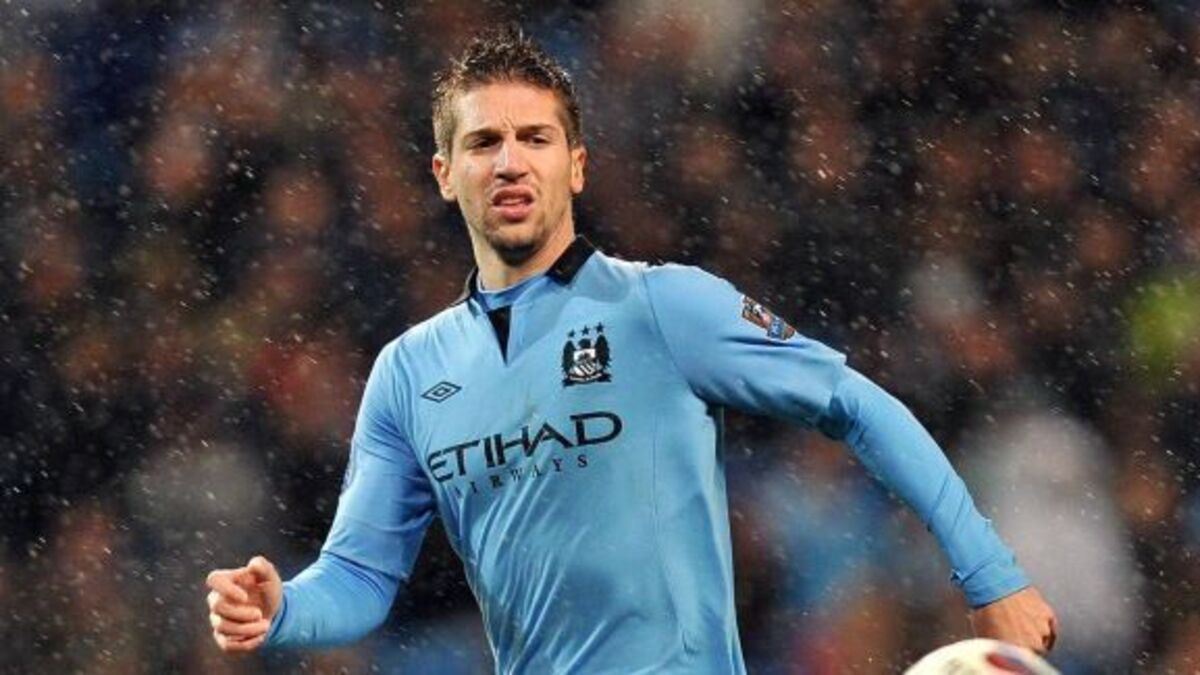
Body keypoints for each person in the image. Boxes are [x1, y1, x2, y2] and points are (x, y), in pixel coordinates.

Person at [204, 27, 1058, 673]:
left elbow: (855, 404)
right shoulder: (408, 371)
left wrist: (991, 575)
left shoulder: (663, 305)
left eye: (535, 138)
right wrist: (281, 610)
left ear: (576, 165)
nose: (510, 162)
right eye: (484, 142)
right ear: (443, 173)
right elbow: (359, 574)